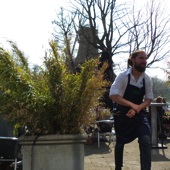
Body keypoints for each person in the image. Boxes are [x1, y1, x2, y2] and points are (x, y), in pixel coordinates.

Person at [109, 50, 153, 170]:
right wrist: (132, 105)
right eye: (141, 58)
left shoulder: (146, 79)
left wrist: (138, 108)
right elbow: (113, 95)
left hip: (139, 114)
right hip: (122, 114)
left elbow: (149, 98)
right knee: (120, 143)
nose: (144, 61)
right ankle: (118, 167)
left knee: (145, 139)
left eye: (145, 58)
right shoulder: (123, 76)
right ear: (133, 60)